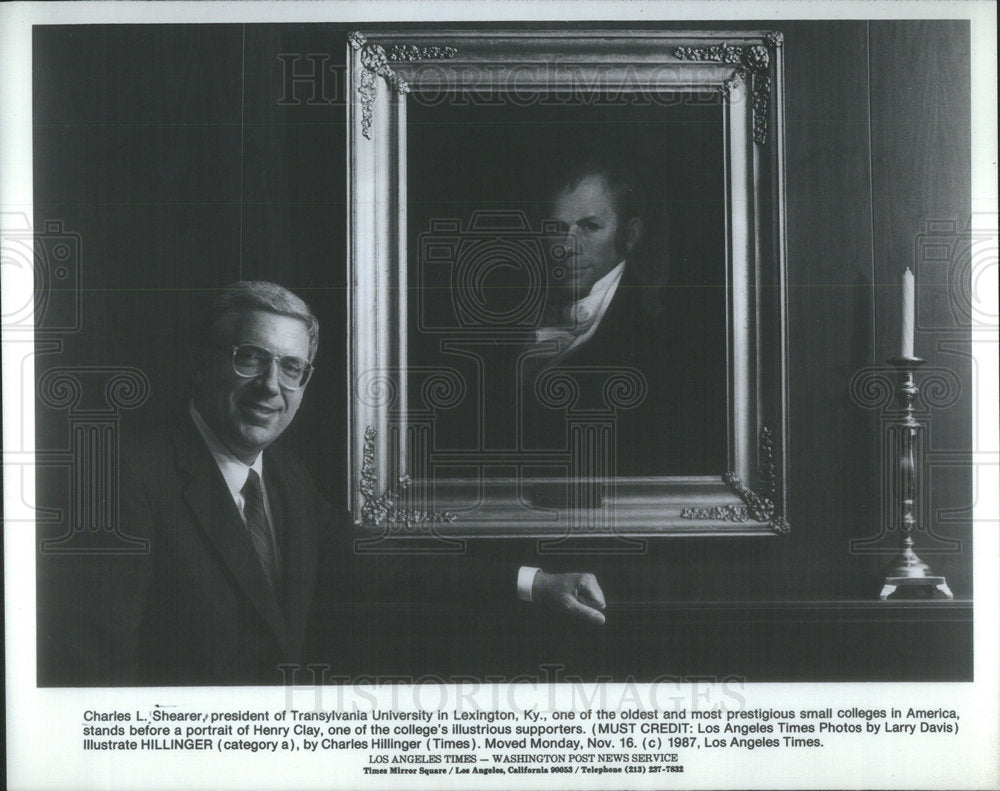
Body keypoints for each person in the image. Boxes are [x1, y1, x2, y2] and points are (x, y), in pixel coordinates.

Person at [44, 281, 606, 686]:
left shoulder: (284, 477)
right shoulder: (123, 480)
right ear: (201, 364)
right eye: (250, 358)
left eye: (292, 368)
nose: (271, 386)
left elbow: (382, 563)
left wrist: (536, 582)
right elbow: (94, 685)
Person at [522, 160, 679, 476]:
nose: (566, 247)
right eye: (558, 229)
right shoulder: (534, 316)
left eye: (589, 227)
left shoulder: (654, 344)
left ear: (630, 236)